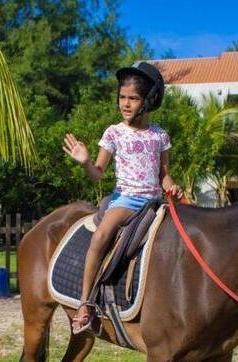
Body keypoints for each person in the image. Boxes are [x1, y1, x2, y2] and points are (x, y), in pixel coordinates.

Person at [63, 62, 182, 334]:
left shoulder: (160, 136)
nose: (125, 104)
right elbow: (97, 174)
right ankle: (84, 304)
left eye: (133, 98)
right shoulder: (114, 132)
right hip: (126, 202)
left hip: (154, 203)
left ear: (149, 101)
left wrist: (172, 186)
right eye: (122, 97)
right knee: (101, 235)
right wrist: (85, 161)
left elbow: (164, 175)